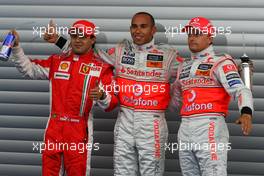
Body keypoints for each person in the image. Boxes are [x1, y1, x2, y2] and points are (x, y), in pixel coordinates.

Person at [45, 12, 182, 175]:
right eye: (134, 26)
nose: (137, 31)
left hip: (152, 121)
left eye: (143, 26)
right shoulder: (120, 51)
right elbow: (91, 53)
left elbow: (189, 74)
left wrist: (176, 98)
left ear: (153, 30)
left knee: (151, 171)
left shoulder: (168, 56)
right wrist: (58, 40)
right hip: (124, 119)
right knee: (122, 171)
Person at [11, 20, 118, 176]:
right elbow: (29, 69)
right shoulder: (56, 61)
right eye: (74, 36)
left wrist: (102, 96)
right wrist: (16, 48)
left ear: (92, 39)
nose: (78, 40)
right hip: (54, 126)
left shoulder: (102, 68)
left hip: (79, 130)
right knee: (49, 172)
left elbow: (111, 104)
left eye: (83, 37)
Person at [171, 16, 254, 176]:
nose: (192, 37)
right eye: (189, 34)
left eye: (197, 33)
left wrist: (246, 113)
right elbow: (174, 103)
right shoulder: (183, 66)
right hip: (185, 126)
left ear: (210, 38)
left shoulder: (221, 62)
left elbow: (241, 89)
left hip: (209, 125)